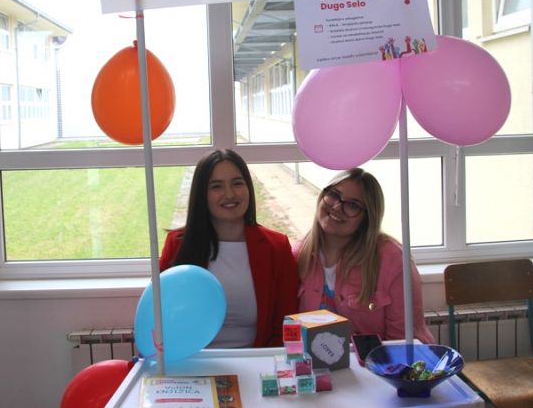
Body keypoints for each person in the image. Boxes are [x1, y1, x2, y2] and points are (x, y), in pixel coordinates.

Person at [159, 149, 299, 348]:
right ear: (202, 194)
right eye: (217, 186)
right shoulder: (177, 244)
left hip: (257, 362)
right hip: (193, 361)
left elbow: (286, 325)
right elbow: (161, 317)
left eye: (237, 183)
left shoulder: (277, 247)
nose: (230, 194)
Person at [294, 168, 434, 343]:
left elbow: (402, 343)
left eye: (353, 205)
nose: (337, 207)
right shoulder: (298, 256)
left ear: (367, 219)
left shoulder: (394, 261)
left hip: (381, 359)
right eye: (334, 195)